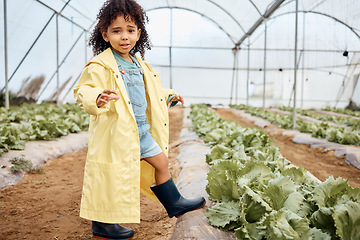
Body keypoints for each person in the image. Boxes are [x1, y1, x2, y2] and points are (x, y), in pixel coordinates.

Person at [73, 0, 205, 239]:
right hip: (117, 133)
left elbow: (149, 92)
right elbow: (83, 90)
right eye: (116, 31)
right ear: (105, 35)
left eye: (130, 30)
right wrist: (97, 96)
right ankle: (103, 225)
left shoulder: (140, 64)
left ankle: (175, 203)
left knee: (162, 162)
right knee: (110, 178)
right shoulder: (100, 65)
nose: (124, 37)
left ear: (139, 34)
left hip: (141, 132)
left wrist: (168, 95)